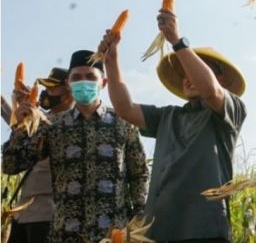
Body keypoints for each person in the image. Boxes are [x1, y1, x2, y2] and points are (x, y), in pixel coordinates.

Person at [99, 6, 247, 242]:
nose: (188, 76)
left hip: (204, 232)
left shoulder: (228, 111)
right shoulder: (168, 117)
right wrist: (111, 60)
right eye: (184, 71)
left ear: (222, 80)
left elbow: (211, 92)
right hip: (160, 230)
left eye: (196, 68)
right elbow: (124, 108)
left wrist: (177, 41)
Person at [2, 51, 149, 243]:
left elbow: (139, 174)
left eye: (90, 77)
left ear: (103, 83)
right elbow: (11, 165)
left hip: (113, 233)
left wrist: (137, 221)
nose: (83, 82)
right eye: (77, 78)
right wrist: (20, 127)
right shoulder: (51, 126)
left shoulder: (124, 123)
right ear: (69, 84)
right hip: (65, 233)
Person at [1, 68, 74, 243]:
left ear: (68, 94)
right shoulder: (42, 121)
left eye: (51, 89)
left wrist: (28, 110)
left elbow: (38, 130)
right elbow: (21, 135)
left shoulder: (69, 123)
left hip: (47, 215)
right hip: (24, 214)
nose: (44, 94)